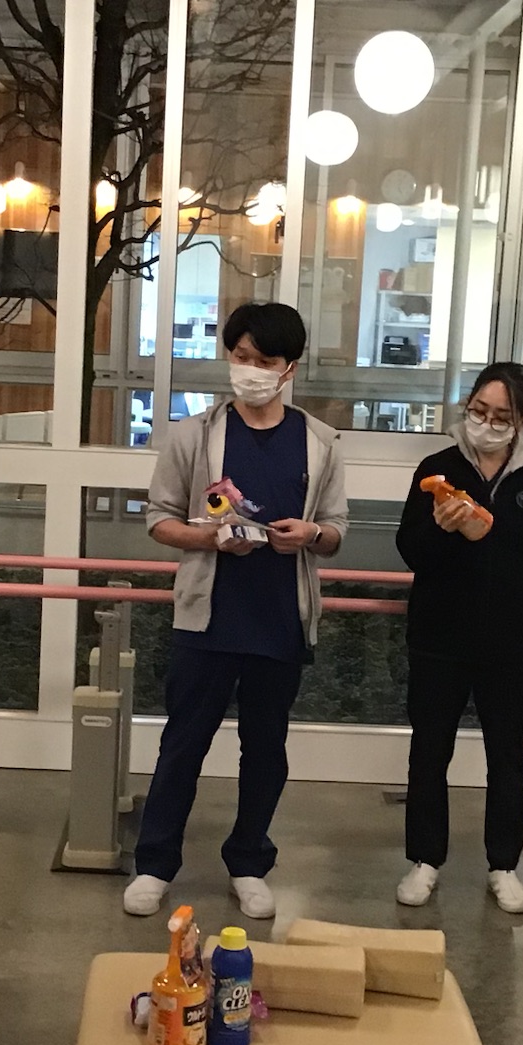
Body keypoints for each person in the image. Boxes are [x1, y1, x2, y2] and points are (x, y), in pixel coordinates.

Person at [123, 301, 348, 920]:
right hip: (209, 616)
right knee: (183, 744)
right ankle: (155, 864)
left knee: (266, 748)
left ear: (289, 368)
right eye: (241, 357)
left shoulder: (319, 442)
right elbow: (159, 519)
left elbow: (335, 528)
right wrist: (210, 539)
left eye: (264, 361)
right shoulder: (194, 435)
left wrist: (311, 535)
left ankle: (249, 863)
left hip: (280, 618)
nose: (249, 370)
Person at [395, 362, 523, 914]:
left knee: (508, 758)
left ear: (522, 422)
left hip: (511, 644)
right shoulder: (437, 470)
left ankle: (504, 865)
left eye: (502, 416)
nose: (487, 424)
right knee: (430, 752)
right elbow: (411, 550)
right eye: (479, 411)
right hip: (439, 638)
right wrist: (443, 530)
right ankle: (424, 860)